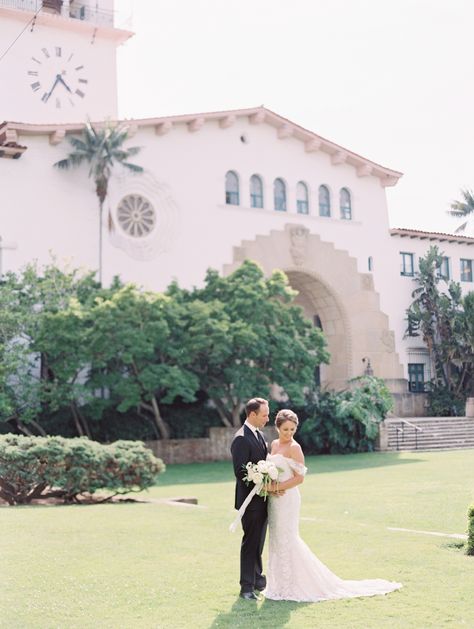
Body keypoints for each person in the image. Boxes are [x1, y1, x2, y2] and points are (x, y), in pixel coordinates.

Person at [263, 409, 402, 602]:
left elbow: (300, 478)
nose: (289, 433)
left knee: (288, 537)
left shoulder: (295, 448)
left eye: (293, 429)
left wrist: (276, 487)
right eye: (285, 429)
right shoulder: (274, 444)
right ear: (277, 427)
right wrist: (270, 488)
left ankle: (296, 585)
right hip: (274, 500)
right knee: (277, 538)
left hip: (288, 499)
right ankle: (278, 584)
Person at [230, 397, 271, 600]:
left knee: (259, 542)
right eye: (264, 415)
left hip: (263, 500)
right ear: (252, 414)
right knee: (250, 543)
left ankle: (258, 580)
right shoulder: (241, 438)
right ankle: (246, 587)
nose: (267, 418)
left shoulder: (260, 435)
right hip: (249, 502)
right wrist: (258, 477)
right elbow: (239, 470)